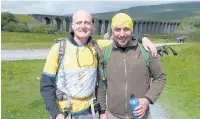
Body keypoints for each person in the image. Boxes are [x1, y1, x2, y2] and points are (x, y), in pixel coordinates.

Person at [40, 10, 157, 119]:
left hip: (89, 112)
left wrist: (143, 38)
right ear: (72, 26)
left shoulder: (97, 46)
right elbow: (46, 84)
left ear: (92, 26)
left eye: (87, 22)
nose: (83, 26)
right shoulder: (58, 49)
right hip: (64, 112)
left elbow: (122, 37)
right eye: (79, 22)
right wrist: (55, 113)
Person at [97, 13, 166, 119]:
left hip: (141, 116)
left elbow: (160, 77)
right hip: (112, 115)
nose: (122, 34)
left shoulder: (146, 51)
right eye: (117, 29)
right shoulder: (105, 53)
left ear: (132, 30)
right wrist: (102, 112)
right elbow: (102, 84)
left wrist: (147, 99)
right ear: (112, 31)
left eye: (126, 29)